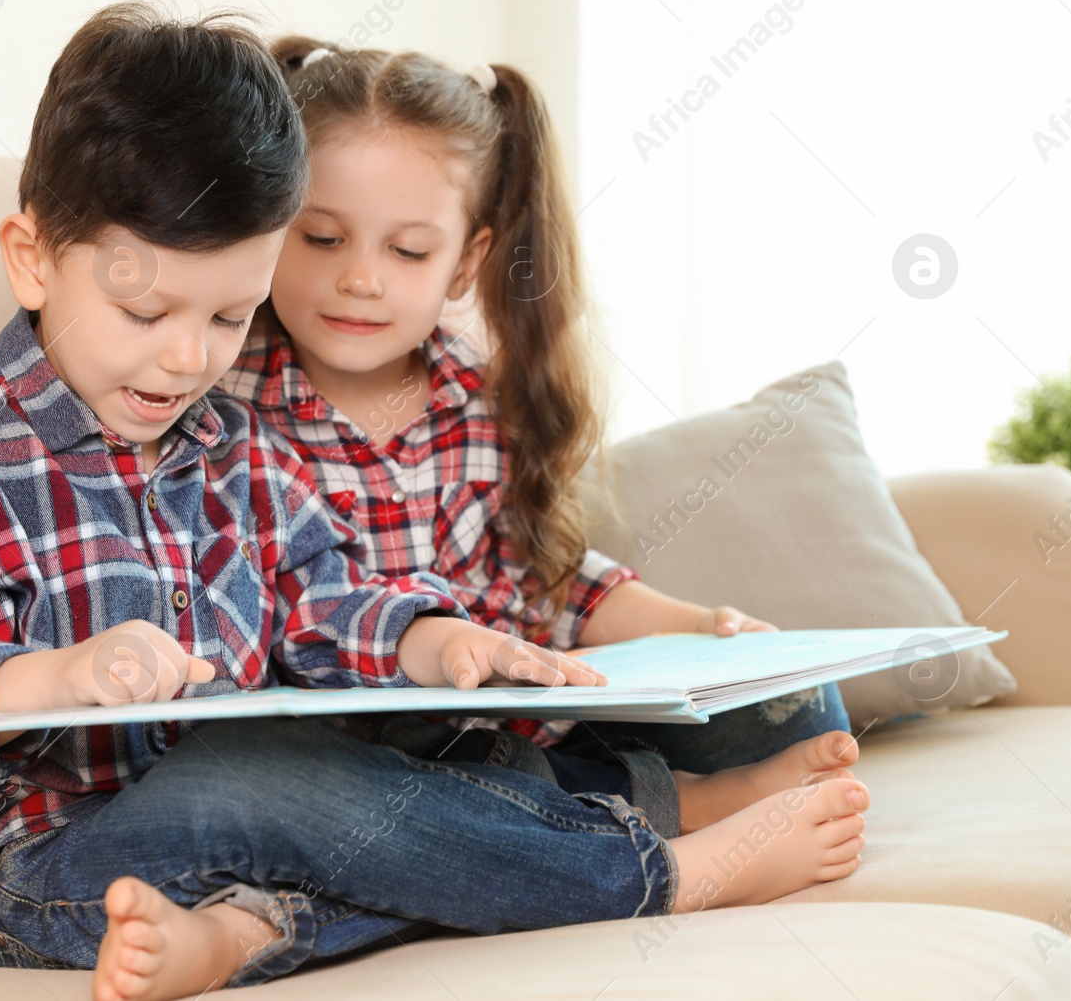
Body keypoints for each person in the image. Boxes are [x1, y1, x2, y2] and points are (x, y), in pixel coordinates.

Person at [0, 2, 869, 1001]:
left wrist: (433, 640)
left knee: (383, 760)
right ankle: (658, 873)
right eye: (145, 309)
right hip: (47, 862)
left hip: (273, 822)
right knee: (259, 776)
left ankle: (245, 935)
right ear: (33, 259)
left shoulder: (227, 441)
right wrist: (54, 676)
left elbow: (325, 596)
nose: (188, 358)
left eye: (231, 315)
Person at [216, 38, 852, 783]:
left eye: (409, 251)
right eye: (322, 238)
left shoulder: (483, 400)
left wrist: (702, 627)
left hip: (512, 731)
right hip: (350, 758)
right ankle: (649, 815)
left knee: (797, 701)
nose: (360, 278)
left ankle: (620, 809)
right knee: (354, 775)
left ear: (466, 263)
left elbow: (549, 583)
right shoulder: (219, 407)